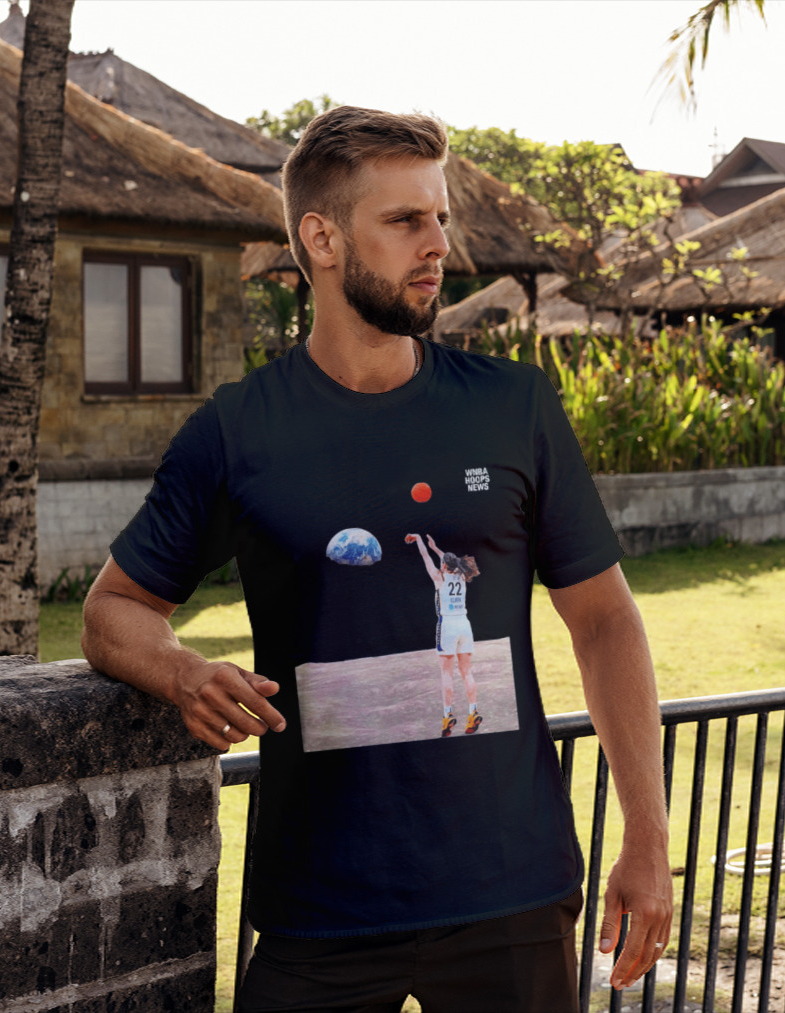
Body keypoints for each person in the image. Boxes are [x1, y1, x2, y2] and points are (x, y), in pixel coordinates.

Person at [82, 105, 673, 1013]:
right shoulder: (239, 432)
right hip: (319, 910)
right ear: (321, 237)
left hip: (512, 893)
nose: (437, 242)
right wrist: (182, 671)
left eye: (438, 216)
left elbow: (603, 620)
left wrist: (647, 834)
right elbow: (111, 609)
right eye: (404, 221)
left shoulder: (513, 406)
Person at [407, 533, 481, 736]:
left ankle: (448, 716)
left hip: (447, 626)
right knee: (467, 672)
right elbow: (449, 560)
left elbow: (425, 557)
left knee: (446, 673)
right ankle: (473, 711)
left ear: (444, 566)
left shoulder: (439, 577)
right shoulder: (461, 575)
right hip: (464, 625)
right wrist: (437, 547)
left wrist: (421, 542)